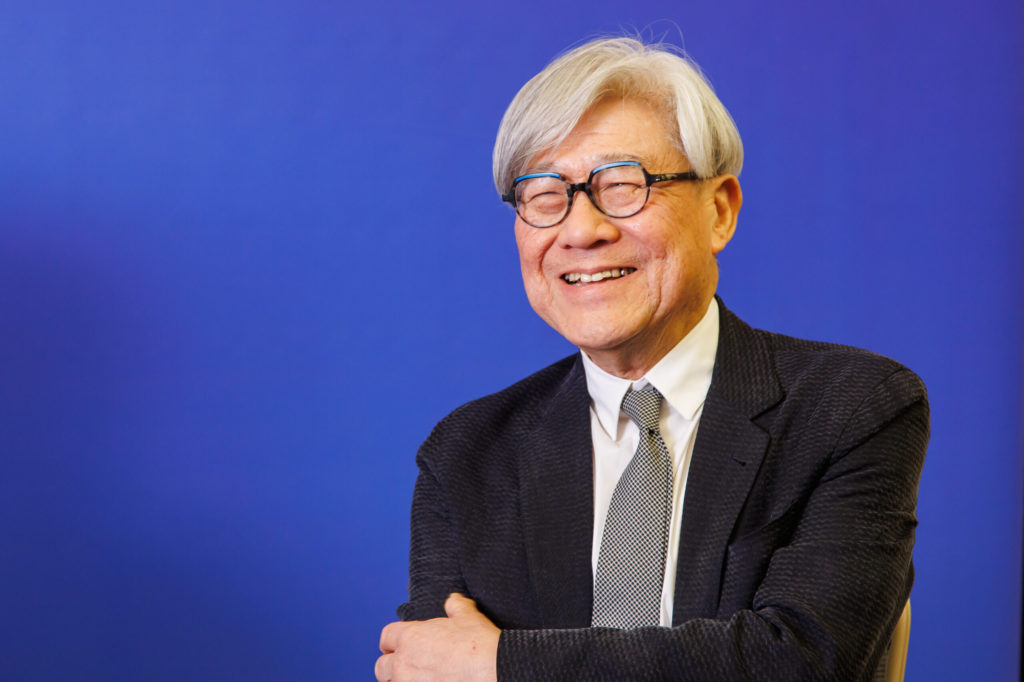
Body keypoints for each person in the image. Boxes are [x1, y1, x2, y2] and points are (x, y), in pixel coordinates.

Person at [375, 36, 928, 681]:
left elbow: (799, 660)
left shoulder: (850, 408)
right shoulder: (468, 453)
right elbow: (431, 668)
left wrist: (502, 662)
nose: (582, 231)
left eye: (622, 185)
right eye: (545, 195)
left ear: (719, 212)